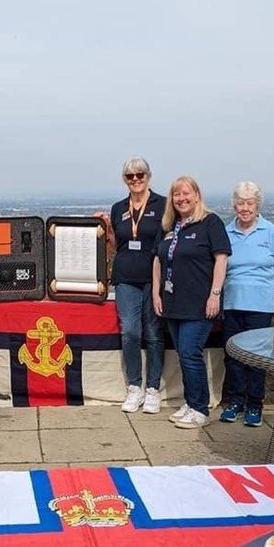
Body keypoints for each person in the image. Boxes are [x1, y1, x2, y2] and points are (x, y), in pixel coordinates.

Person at [152, 175, 231, 429]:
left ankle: (200, 408)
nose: (182, 198)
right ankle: (191, 401)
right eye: (177, 194)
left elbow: (221, 259)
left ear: (197, 195)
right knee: (183, 355)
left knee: (190, 352)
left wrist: (215, 294)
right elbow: (157, 260)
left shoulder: (211, 223)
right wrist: (156, 293)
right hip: (173, 302)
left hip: (199, 304)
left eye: (187, 193)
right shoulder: (169, 226)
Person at [96, 156, 166, 414]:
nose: (135, 179)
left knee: (154, 333)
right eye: (130, 176)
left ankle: (153, 388)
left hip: (153, 276)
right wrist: (106, 229)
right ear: (124, 180)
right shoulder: (118, 208)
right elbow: (118, 243)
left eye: (140, 175)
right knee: (130, 332)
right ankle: (134, 385)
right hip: (125, 276)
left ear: (148, 176)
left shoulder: (163, 204)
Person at [219, 181, 274, 427]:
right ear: (234, 205)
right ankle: (235, 402)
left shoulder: (271, 232)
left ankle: (255, 405)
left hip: (260, 305)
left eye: (250, 203)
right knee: (234, 356)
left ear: (257, 205)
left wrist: (266, 286)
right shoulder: (226, 233)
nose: (245, 208)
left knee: (257, 356)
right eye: (240, 203)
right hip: (232, 302)